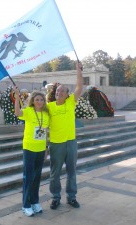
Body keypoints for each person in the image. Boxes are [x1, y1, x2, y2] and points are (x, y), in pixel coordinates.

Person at [47, 62, 83, 210]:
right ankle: (55, 198)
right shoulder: (49, 107)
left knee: (71, 172)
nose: (59, 93)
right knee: (54, 174)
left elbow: (80, 87)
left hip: (71, 142)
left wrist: (78, 71)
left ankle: (71, 197)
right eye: (57, 91)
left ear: (67, 94)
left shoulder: (70, 103)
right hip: (56, 144)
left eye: (62, 91)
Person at [14, 87, 50, 217]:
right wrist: (17, 98)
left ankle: (35, 202)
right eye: (37, 99)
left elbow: (45, 132)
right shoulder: (29, 111)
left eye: (41, 99)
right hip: (29, 148)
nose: (39, 102)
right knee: (28, 177)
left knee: (37, 177)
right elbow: (17, 113)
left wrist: (46, 148)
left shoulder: (46, 114)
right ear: (33, 101)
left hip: (41, 149)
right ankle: (26, 205)